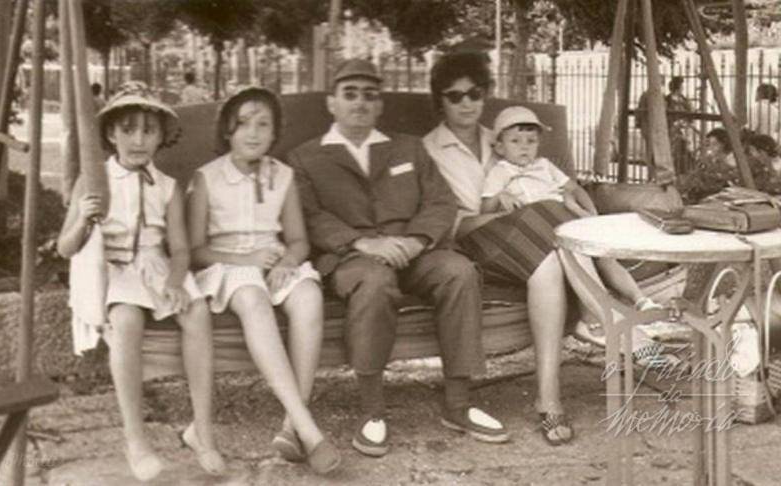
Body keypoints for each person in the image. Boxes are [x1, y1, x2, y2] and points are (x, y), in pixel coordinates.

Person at [423, 52, 671, 446]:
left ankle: (549, 399)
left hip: (533, 237)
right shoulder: (430, 150)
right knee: (549, 217)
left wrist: (569, 202)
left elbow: (559, 183)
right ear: (440, 101)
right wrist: (517, 212)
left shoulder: (502, 136)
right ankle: (605, 318)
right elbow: (447, 221)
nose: (466, 103)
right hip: (472, 238)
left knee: (551, 260)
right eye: (454, 96)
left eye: (475, 93)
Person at [288, 58, 511, 457]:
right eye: (350, 94)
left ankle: (459, 402)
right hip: (352, 258)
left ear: (380, 105)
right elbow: (310, 216)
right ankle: (373, 410)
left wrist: (416, 239)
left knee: (458, 271)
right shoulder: (306, 157)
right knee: (374, 282)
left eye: (369, 95)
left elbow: (440, 202)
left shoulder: (408, 147)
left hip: (413, 251)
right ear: (331, 103)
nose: (360, 103)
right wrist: (361, 243)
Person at [56, 81, 226, 481]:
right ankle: (136, 438)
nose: (138, 140)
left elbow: (179, 249)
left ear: (161, 137)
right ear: (110, 134)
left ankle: (202, 430)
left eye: (149, 131)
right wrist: (83, 219)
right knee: (126, 320)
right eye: (128, 129)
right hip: (112, 267)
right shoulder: (93, 180)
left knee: (197, 311)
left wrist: (176, 281)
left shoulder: (166, 186)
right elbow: (65, 248)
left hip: (155, 266)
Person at [186, 87, 341, 474]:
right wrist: (246, 260)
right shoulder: (207, 178)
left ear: (275, 133)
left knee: (308, 294)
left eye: (263, 125)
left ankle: (290, 427)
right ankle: (308, 428)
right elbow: (196, 250)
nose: (252, 133)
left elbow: (299, 240)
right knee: (252, 295)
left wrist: (287, 262)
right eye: (242, 124)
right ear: (227, 131)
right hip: (225, 266)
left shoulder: (283, 176)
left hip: (272, 263)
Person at [482, 106, 669, 340]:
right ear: (500, 147)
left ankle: (641, 300)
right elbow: (485, 209)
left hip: (566, 218)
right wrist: (501, 196)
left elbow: (575, 189)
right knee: (576, 258)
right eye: (515, 141)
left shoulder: (544, 166)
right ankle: (593, 319)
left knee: (603, 257)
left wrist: (590, 212)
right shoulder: (500, 172)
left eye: (531, 141)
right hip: (537, 229)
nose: (524, 147)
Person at [665, 76, 693, 174]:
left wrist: (686, 122)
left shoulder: (684, 100)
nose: (682, 88)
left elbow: (690, 113)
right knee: (673, 150)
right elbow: (665, 114)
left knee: (685, 150)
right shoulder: (667, 100)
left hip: (684, 129)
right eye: (681, 86)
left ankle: (683, 171)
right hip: (672, 129)